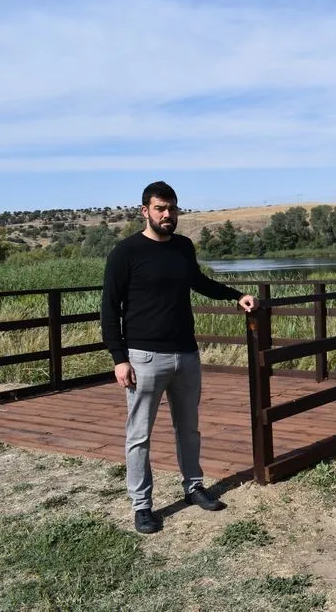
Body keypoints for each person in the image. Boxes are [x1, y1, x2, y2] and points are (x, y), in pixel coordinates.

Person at [100, 181, 255, 534]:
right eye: (160, 208)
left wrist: (236, 295)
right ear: (145, 211)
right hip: (144, 358)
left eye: (172, 208)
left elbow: (199, 282)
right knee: (139, 435)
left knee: (189, 428)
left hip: (186, 354)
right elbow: (109, 308)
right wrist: (119, 358)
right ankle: (142, 506)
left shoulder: (183, 247)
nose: (167, 215)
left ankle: (193, 487)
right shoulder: (126, 252)